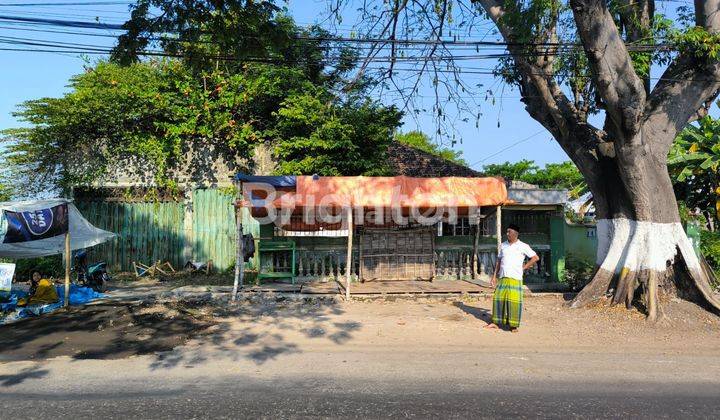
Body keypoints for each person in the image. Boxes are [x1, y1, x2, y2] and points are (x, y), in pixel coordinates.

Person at [485, 224, 539, 332]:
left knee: (514, 302)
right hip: (503, 276)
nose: (507, 233)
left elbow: (535, 258)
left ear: (515, 233)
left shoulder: (523, 246)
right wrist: (494, 276)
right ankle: (495, 322)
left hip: (515, 277)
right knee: (498, 299)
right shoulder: (503, 245)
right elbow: (499, 261)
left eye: (509, 232)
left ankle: (513, 326)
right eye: (507, 231)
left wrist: (524, 267)